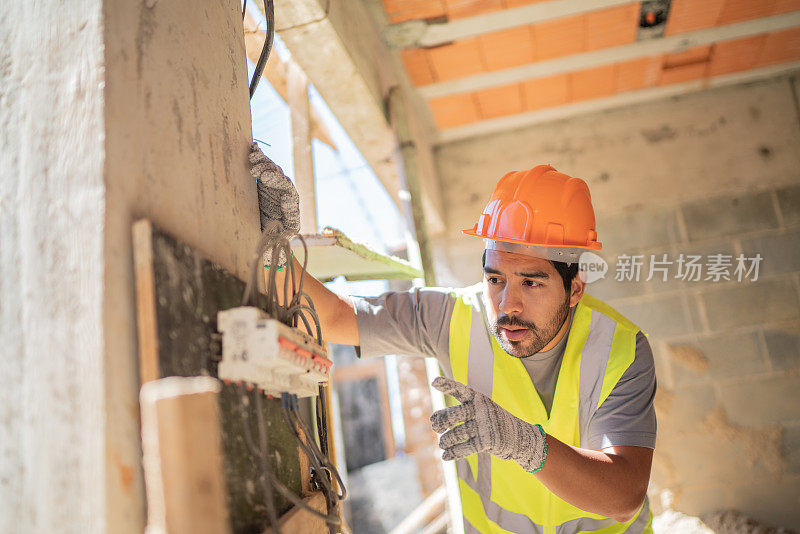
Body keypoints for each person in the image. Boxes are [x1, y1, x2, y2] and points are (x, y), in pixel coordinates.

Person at [249, 143, 657, 534]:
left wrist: (527, 445)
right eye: (495, 279)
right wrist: (274, 250)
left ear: (575, 288)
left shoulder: (619, 348)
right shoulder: (450, 318)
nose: (507, 304)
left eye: (532, 283)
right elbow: (336, 317)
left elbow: (623, 496)